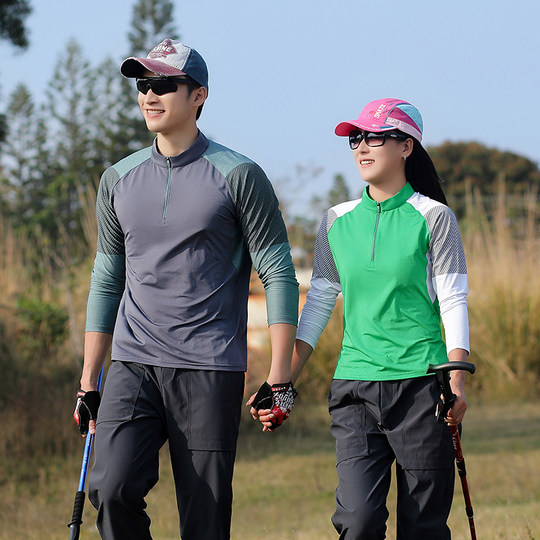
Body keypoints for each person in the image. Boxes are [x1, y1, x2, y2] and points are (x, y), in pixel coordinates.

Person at [72, 38, 299, 540]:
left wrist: (280, 376)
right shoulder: (117, 179)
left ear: (199, 95)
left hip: (208, 367)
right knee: (110, 489)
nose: (149, 95)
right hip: (133, 362)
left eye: (164, 84)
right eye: (142, 85)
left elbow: (279, 273)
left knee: (204, 517)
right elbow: (107, 280)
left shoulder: (240, 175)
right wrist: (90, 381)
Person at [257, 98, 470, 539]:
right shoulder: (335, 221)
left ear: (406, 146)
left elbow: (453, 300)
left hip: (422, 387)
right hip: (355, 388)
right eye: (356, 138)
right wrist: (282, 385)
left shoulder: (435, 217)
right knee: (358, 521)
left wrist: (456, 384)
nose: (362, 147)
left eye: (375, 137)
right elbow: (318, 303)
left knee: (423, 527)